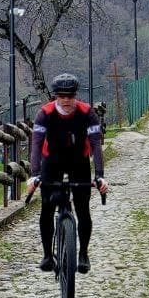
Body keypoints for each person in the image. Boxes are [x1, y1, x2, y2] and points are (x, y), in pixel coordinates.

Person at [29, 73, 108, 274]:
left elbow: (97, 144)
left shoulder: (87, 113)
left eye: (70, 96)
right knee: (47, 206)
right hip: (52, 161)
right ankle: (47, 255)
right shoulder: (44, 114)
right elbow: (36, 144)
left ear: (76, 96)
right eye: (61, 96)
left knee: (83, 209)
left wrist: (99, 175)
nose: (66, 100)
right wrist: (34, 174)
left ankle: (83, 253)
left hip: (78, 161)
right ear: (55, 96)